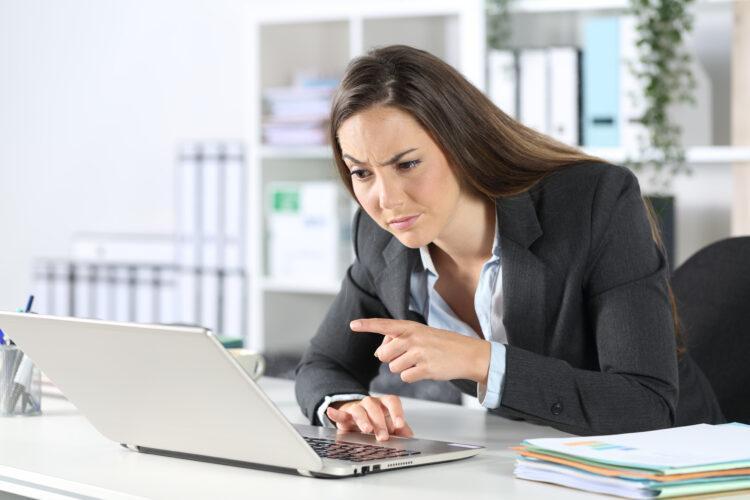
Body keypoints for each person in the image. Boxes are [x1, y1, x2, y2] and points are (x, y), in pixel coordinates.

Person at [294, 44, 724, 440]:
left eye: (407, 164)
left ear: (461, 144)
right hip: (527, 459)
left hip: (673, 463)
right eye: (362, 173)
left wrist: (480, 360)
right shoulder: (379, 238)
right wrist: (344, 406)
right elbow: (323, 365)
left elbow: (646, 406)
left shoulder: (595, 202)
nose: (386, 200)